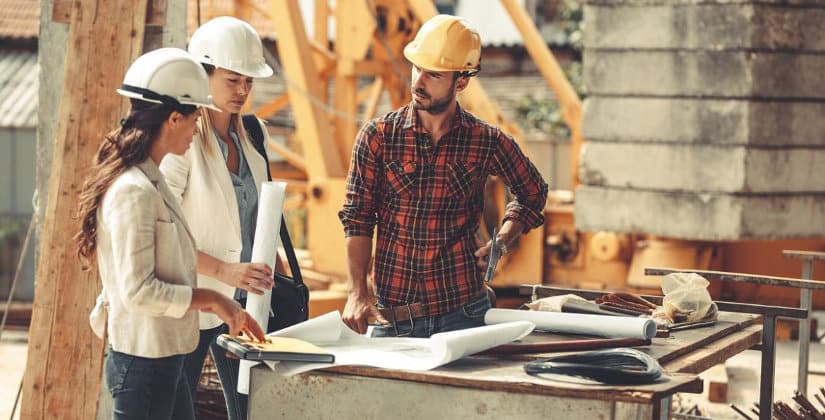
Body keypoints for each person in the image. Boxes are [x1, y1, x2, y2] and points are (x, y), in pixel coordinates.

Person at [76, 47, 265, 420]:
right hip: (143, 361)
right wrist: (213, 298)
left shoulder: (152, 181)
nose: (198, 129)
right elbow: (139, 291)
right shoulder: (134, 192)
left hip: (164, 356)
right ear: (174, 119)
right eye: (195, 118)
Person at [338, 15, 549, 338]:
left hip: (464, 315)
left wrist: (502, 241)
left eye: (433, 74)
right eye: (416, 68)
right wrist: (356, 293)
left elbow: (533, 191)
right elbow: (358, 219)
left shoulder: (485, 140)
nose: (418, 82)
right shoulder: (378, 137)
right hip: (393, 320)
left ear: (461, 82)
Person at [159, 16, 279, 420]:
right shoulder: (184, 140)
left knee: (252, 407)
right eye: (232, 80)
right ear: (203, 74)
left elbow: (256, 215)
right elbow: (164, 233)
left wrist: (273, 263)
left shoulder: (254, 133)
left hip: (247, 301)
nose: (243, 90)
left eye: (248, 80)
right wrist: (223, 271)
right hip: (197, 297)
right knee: (176, 407)